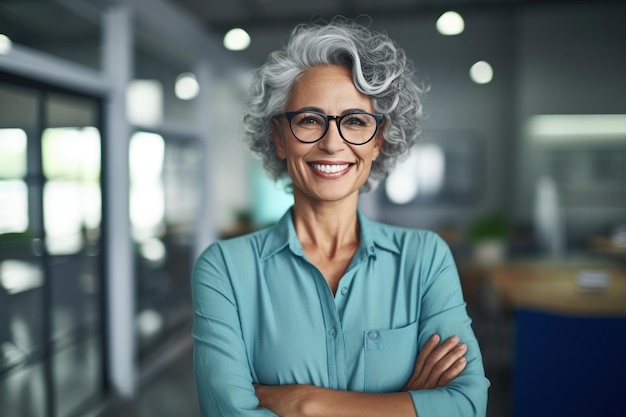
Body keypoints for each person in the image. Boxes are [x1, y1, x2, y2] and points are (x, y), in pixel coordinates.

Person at [192, 16, 490, 417]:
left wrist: (306, 405)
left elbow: (466, 404)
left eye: (355, 121)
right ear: (280, 137)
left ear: (378, 141)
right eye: (310, 120)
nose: (333, 143)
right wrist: (405, 403)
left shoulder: (424, 258)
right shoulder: (225, 270)